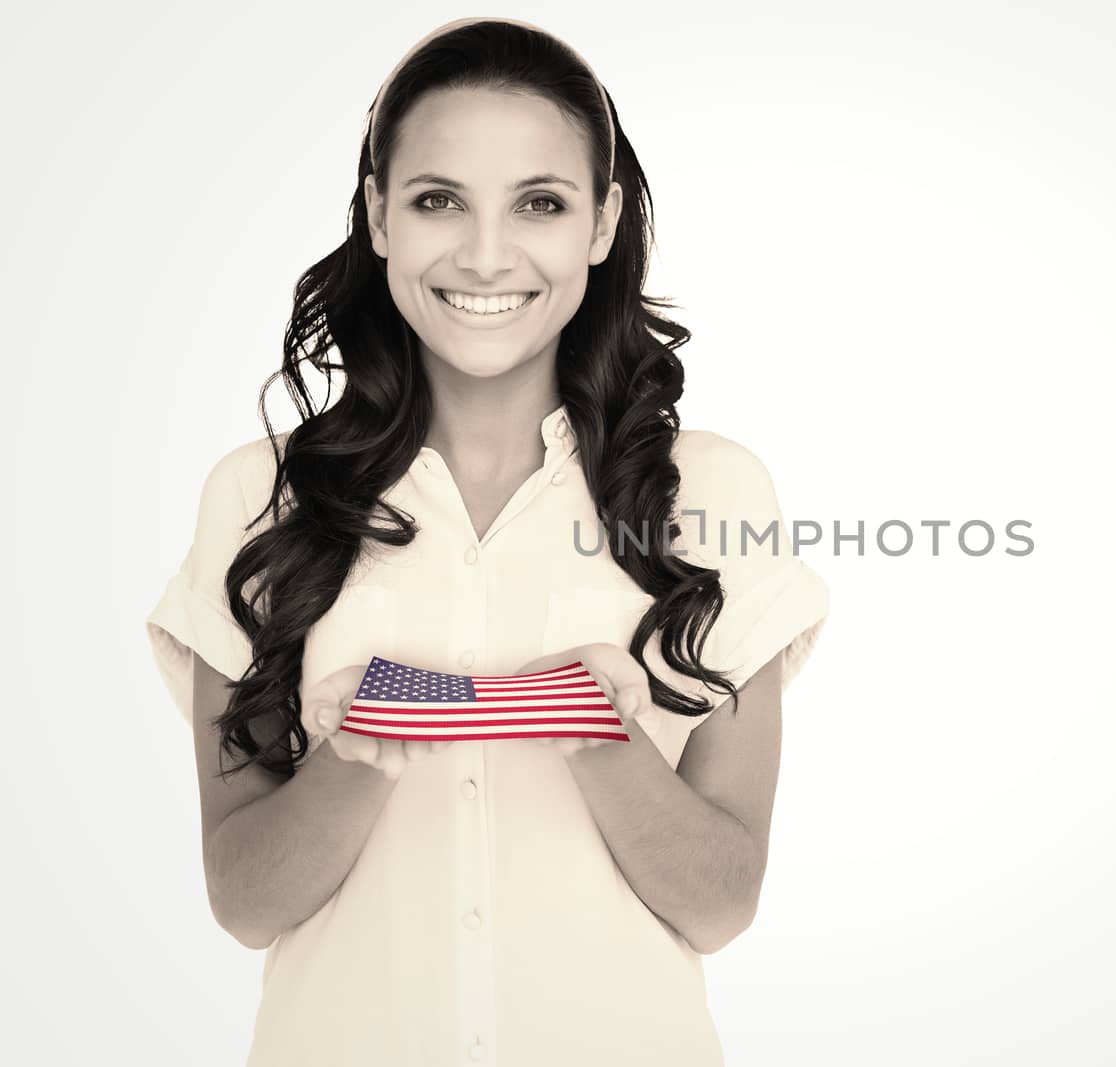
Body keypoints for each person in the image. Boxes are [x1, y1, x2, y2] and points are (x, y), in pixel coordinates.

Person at [144, 17, 830, 1066]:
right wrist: (359, 752)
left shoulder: (713, 492)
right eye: (437, 200)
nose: (485, 254)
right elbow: (244, 897)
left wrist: (599, 730)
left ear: (601, 223)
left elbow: (720, 902)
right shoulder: (260, 495)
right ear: (378, 215)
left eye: (541, 204)